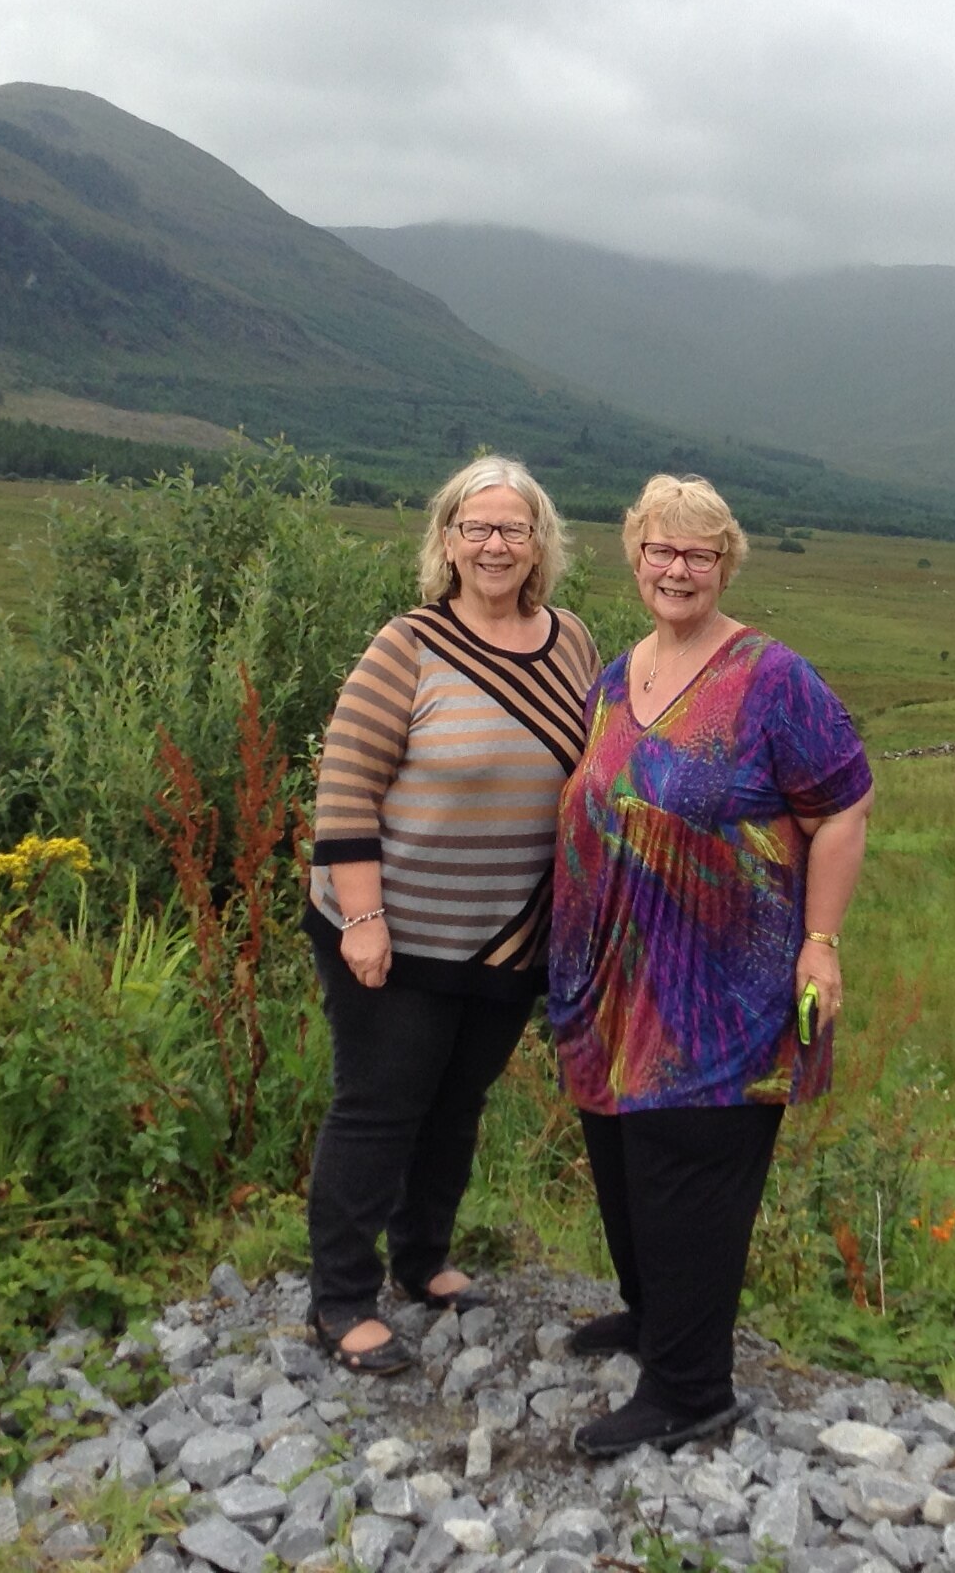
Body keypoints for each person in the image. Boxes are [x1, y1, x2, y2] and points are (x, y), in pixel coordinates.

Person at [549, 474, 874, 1454]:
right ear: (635, 555)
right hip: (610, 989)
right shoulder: (619, 673)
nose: (676, 568)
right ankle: (653, 1322)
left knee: (688, 1176)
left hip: (719, 993)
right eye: (659, 549)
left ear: (723, 561)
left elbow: (844, 805)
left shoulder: (772, 677)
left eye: (696, 552)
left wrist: (820, 942)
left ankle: (692, 1388)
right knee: (621, 1164)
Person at [301, 455, 598, 1373]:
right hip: (394, 929)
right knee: (381, 1107)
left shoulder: (574, 640)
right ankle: (340, 1298)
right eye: (477, 528)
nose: (496, 544)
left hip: (511, 937)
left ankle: (421, 1259)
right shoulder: (409, 645)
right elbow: (346, 785)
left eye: (514, 528)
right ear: (448, 542)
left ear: (540, 543)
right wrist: (361, 920)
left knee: (456, 1105)